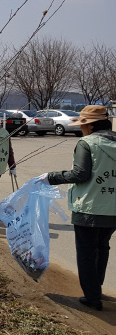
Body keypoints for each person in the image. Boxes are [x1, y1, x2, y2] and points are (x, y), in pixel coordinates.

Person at [37, 105, 116, 311]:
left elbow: (80, 174)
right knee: (102, 246)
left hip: (89, 207)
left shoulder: (87, 143)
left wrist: (50, 177)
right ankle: (95, 288)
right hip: (113, 207)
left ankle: (92, 298)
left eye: (83, 125)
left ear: (89, 126)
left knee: (86, 251)